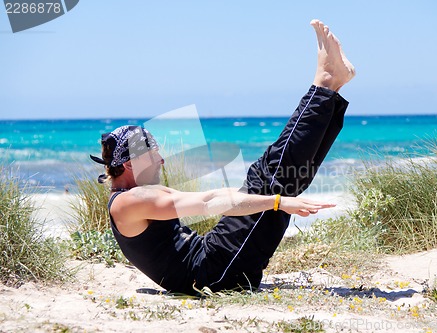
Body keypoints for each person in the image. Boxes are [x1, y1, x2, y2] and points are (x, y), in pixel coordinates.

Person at [90, 19, 355, 296]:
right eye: (154, 154)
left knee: (279, 180)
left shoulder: (136, 196)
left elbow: (214, 199)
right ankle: (324, 82)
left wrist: (278, 201)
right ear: (130, 163)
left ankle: (331, 88)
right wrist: (277, 203)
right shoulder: (129, 202)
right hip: (212, 274)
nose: (162, 161)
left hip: (213, 264)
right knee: (268, 178)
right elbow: (209, 201)